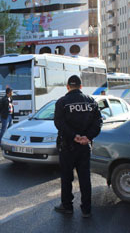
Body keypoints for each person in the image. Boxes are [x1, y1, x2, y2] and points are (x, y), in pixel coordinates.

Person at [53, 75, 102, 218]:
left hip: (67, 146)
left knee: (67, 178)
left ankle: (67, 206)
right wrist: (88, 137)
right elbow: (98, 122)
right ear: (81, 87)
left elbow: (59, 123)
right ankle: (86, 209)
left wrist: (74, 136)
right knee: (85, 178)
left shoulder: (62, 102)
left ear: (68, 87)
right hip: (84, 146)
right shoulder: (91, 101)